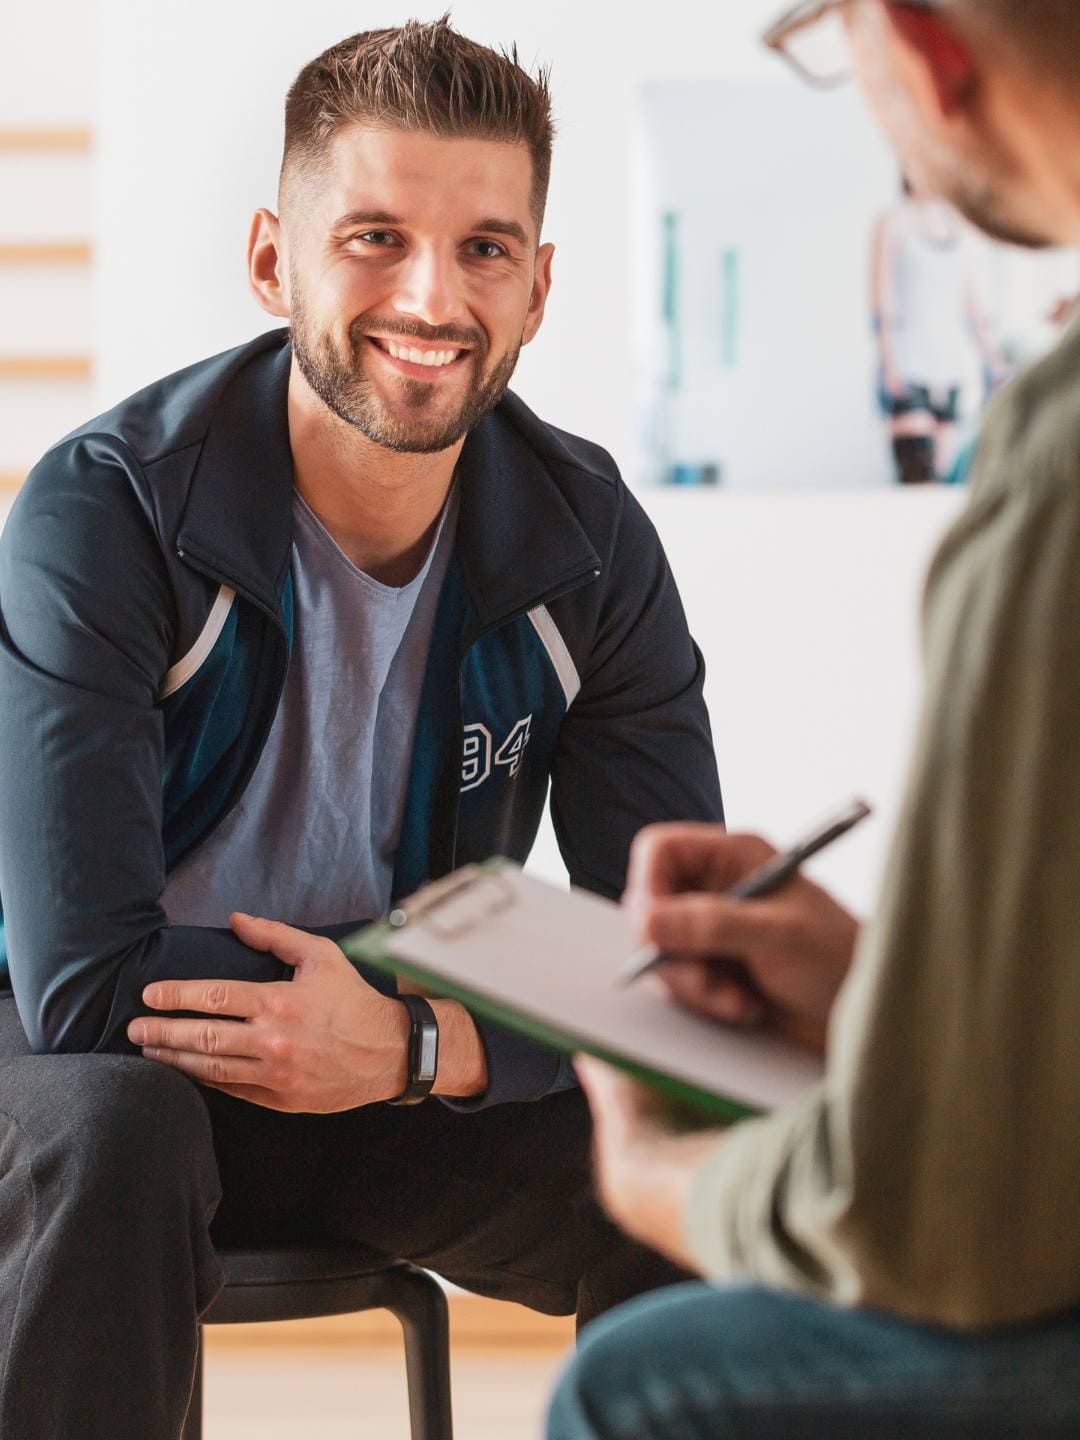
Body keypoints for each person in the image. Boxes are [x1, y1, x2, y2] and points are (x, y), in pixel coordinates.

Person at [0, 20, 723, 1438]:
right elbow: (80, 981)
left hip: (374, 1083)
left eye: (486, 250)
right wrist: (406, 1004)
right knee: (118, 1132)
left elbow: (673, 975)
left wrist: (413, 1042)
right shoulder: (106, 512)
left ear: (539, 289)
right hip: (75, 1080)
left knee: (704, 1139)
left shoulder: (589, 546)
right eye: (376, 236)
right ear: (274, 258)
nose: (432, 297)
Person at [548, 1, 1080, 1436]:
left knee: (638, 1381)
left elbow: (945, 1233)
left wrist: (667, 1182)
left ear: (920, 45)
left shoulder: (1056, 464)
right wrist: (894, 995)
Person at [872, 176, 1004, 484]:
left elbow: (973, 304)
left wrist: (993, 361)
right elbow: (880, 301)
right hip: (907, 364)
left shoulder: (959, 227)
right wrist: (887, 364)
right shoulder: (893, 222)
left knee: (943, 481)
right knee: (917, 470)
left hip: (952, 366)